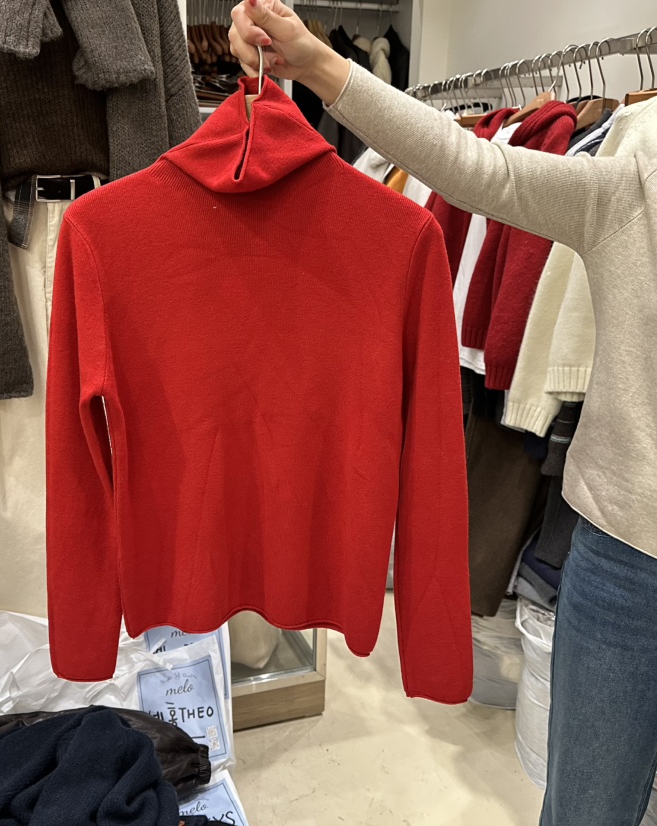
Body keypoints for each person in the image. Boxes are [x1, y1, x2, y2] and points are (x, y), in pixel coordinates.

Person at [230, 3, 657, 825]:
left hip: (617, 546)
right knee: (586, 810)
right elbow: (474, 167)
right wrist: (318, 66)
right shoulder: (637, 172)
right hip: (624, 556)